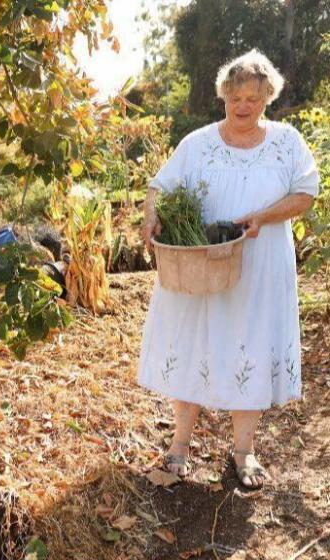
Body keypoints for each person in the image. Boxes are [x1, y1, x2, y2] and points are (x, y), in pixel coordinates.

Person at [138, 50, 320, 489]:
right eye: (235, 97)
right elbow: (158, 187)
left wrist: (263, 215)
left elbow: (306, 193)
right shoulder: (198, 143)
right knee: (197, 340)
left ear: (268, 99)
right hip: (202, 268)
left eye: (253, 99)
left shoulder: (286, 142)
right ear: (223, 96)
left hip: (260, 269)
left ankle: (244, 451)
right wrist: (151, 214)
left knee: (251, 346)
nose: (243, 106)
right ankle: (180, 445)